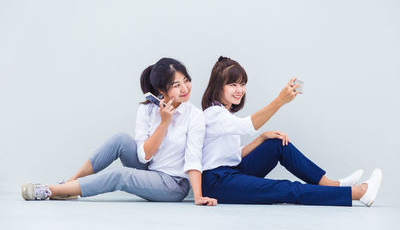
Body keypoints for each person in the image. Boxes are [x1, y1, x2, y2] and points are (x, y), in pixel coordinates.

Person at [22, 58, 217, 206]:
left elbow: (193, 159)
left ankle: (51, 190)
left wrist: (198, 196)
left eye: (186, 80)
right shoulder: (147, 110)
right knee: (120, 140)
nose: (185, 88)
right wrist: (164, 122)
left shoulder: (195, 116)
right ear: (161, 89)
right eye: (176, 85)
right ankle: (69, 185)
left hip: (172, 184)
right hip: (149, 169)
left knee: (121, 176)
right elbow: (143, 156)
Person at [200, 56, 382, 207]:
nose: (240, 90)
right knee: (285, 189)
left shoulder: (224, 114)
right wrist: (280, 101)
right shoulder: (213, 114)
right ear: (218, 87)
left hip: (232, 171)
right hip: (217, 183)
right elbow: (247, 126)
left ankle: (331, 184)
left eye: (242, 84)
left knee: (277, 143)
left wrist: (262, 138)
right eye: (233, 84)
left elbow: (233, 155)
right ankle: (358, 193)